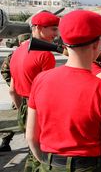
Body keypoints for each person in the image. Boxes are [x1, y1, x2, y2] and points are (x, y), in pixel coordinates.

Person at [26, 10, 101, 172]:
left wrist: (47, 163)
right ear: (96, 44)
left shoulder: (40, 80)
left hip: (48, 165)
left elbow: (31, 137)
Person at [9, 11, 59, 172]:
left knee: (32, 153)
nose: (56, 34)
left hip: (24, 108)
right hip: (39, 110)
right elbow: (48, 92)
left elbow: (12, 91)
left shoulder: (17, 51)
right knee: (43, 159)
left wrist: (22, 111)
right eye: (52, 29)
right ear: (37, 28)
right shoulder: (45, 55)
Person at [0, 33, 31, 152]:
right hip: (19, 92)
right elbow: (5, 71)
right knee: (17, 117)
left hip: (27, 93)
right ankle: (6, 140)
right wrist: (14, 83)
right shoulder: (13, 56)